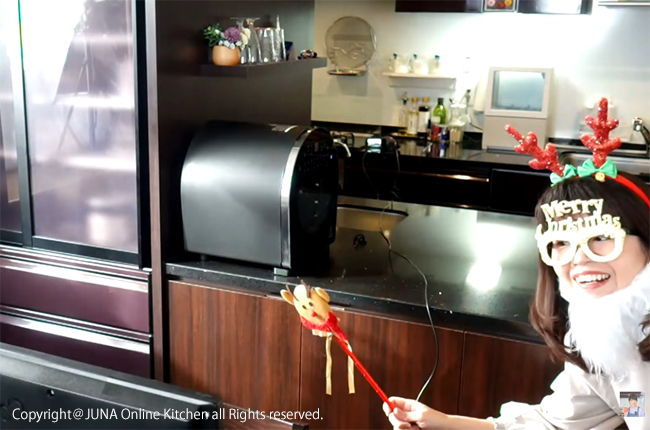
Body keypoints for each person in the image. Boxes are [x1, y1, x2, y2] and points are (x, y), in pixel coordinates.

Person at [383, 116, 650, 430]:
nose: (579, 258)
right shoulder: (603, 334)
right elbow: (560, 421)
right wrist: (446, 423)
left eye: (602, 236)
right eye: (561, 242)